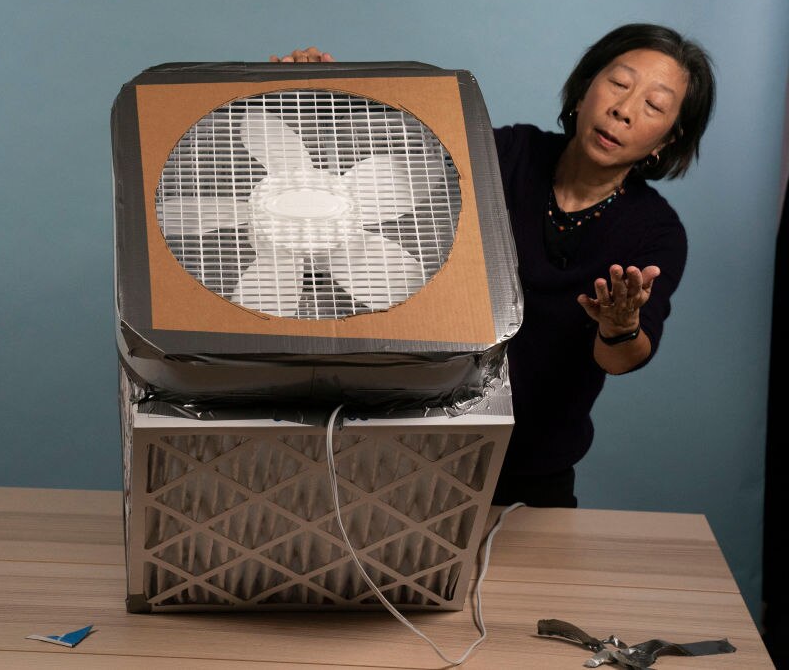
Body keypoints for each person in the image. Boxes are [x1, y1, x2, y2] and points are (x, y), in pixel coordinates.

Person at [271, 25, 715, 507]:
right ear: (585, 88)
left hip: (533, 474)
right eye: (619, 84)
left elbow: (623, 357)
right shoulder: (505, 154)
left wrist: (620, 323)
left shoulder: (656, 231)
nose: (624, 110)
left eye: (653, 106)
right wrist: (317, 97)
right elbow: (391, 162)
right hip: (412, 451)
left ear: (667, 141)